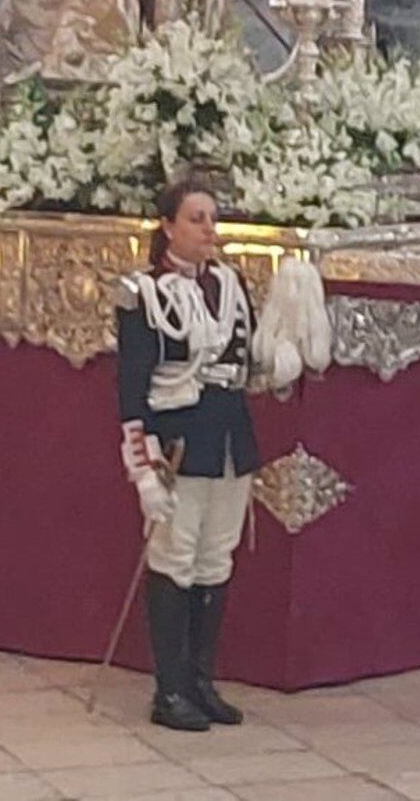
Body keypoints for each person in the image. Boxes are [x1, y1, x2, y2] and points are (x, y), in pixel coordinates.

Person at [115, 180, 263, 732]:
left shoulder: (230, 284)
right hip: (177, 444)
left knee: (215, 559)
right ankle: (169, 688)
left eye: (212, 219)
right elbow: (132, 389)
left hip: (228, 440)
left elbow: (246, 362)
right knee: (175, 559)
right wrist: (143, 467)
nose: (208, 230)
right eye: (197, 219)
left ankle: (201, 680)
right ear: (168, 227)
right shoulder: (141, 293)